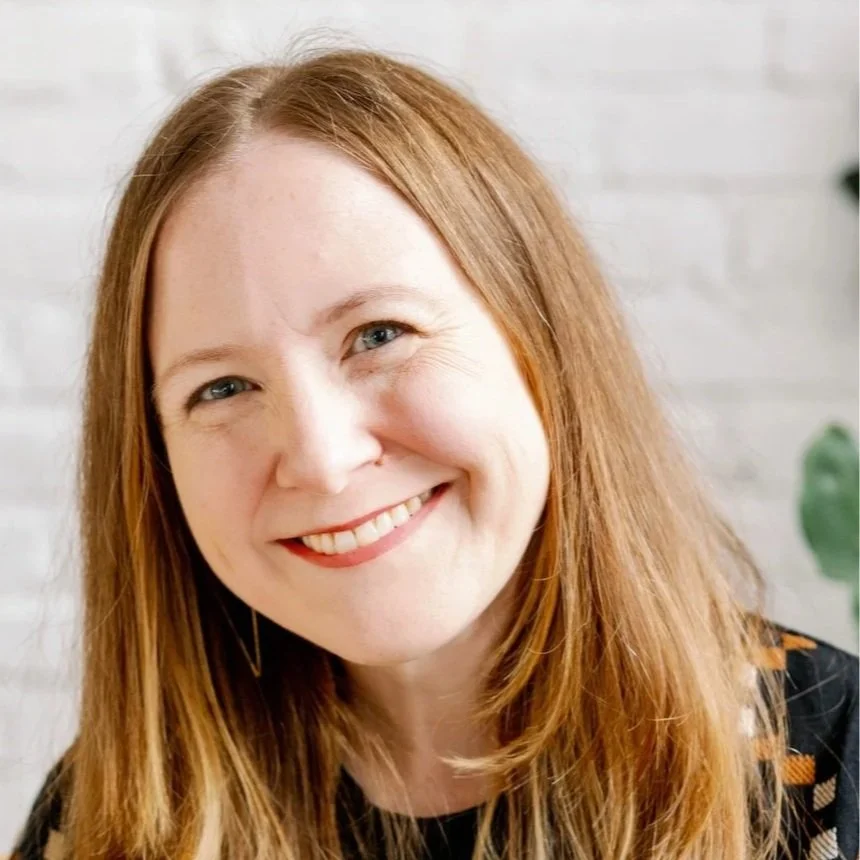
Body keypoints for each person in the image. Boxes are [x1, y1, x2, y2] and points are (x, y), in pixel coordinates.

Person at [8, 41, 858, 860]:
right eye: (222, 389)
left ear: (541, 344)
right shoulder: (103, 814)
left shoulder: (832, 763)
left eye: (379, 334)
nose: (322, 457)